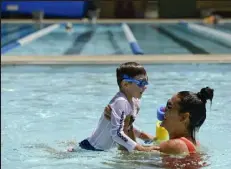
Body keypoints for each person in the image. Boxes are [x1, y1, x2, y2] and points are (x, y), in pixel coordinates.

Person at [68, 62, 158, 152]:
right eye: (141, 82)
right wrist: (140, 148)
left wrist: (146, 137)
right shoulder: (120, 102)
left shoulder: (135, 102)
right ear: (126, 84)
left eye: (146, 81)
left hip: (99, 150)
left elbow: (126, 125)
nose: (145, 86)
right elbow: (116, 134)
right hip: (90, 148)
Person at [104, 87, 214, 155]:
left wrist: (122, 122)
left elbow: (129, 161)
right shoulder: (194, 144)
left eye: (169, 106)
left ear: (183, 117)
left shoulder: (174, 145)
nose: (163, 109)